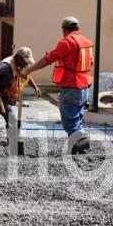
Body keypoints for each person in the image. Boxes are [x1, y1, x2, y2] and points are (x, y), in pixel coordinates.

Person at [21, 16, 93, 154]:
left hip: (72, 87)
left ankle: (82, 141)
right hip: (84, 87)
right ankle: (76, 149)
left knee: (70, 122)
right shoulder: (86, 43)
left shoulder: (67, 42)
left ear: (64, 29)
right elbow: (90, 63)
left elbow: (48, 59)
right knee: (76, 118)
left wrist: (28, 70)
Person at [0, 46, 40, 133]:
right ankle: (13, 145)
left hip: (5, 95)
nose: (26, 65)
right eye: (25, 62)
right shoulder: (6, 65)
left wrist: (35, 87)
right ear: (19, 58)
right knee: (12, 119)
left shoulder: (18, 65)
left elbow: (26, 75)